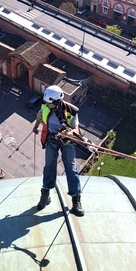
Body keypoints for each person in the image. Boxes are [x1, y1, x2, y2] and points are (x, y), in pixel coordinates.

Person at [33, 85, 84, 217]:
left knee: (71, 167)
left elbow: (76, 129)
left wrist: (69, 132)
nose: (46, 104)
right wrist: (36, 126)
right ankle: (45, 193)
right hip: (51, 138)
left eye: (49, 103)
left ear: (56, 102)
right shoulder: (46, 105)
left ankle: (76, 199)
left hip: (67, 141)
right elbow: (40, 115)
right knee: (49, 165)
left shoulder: (71, 111)